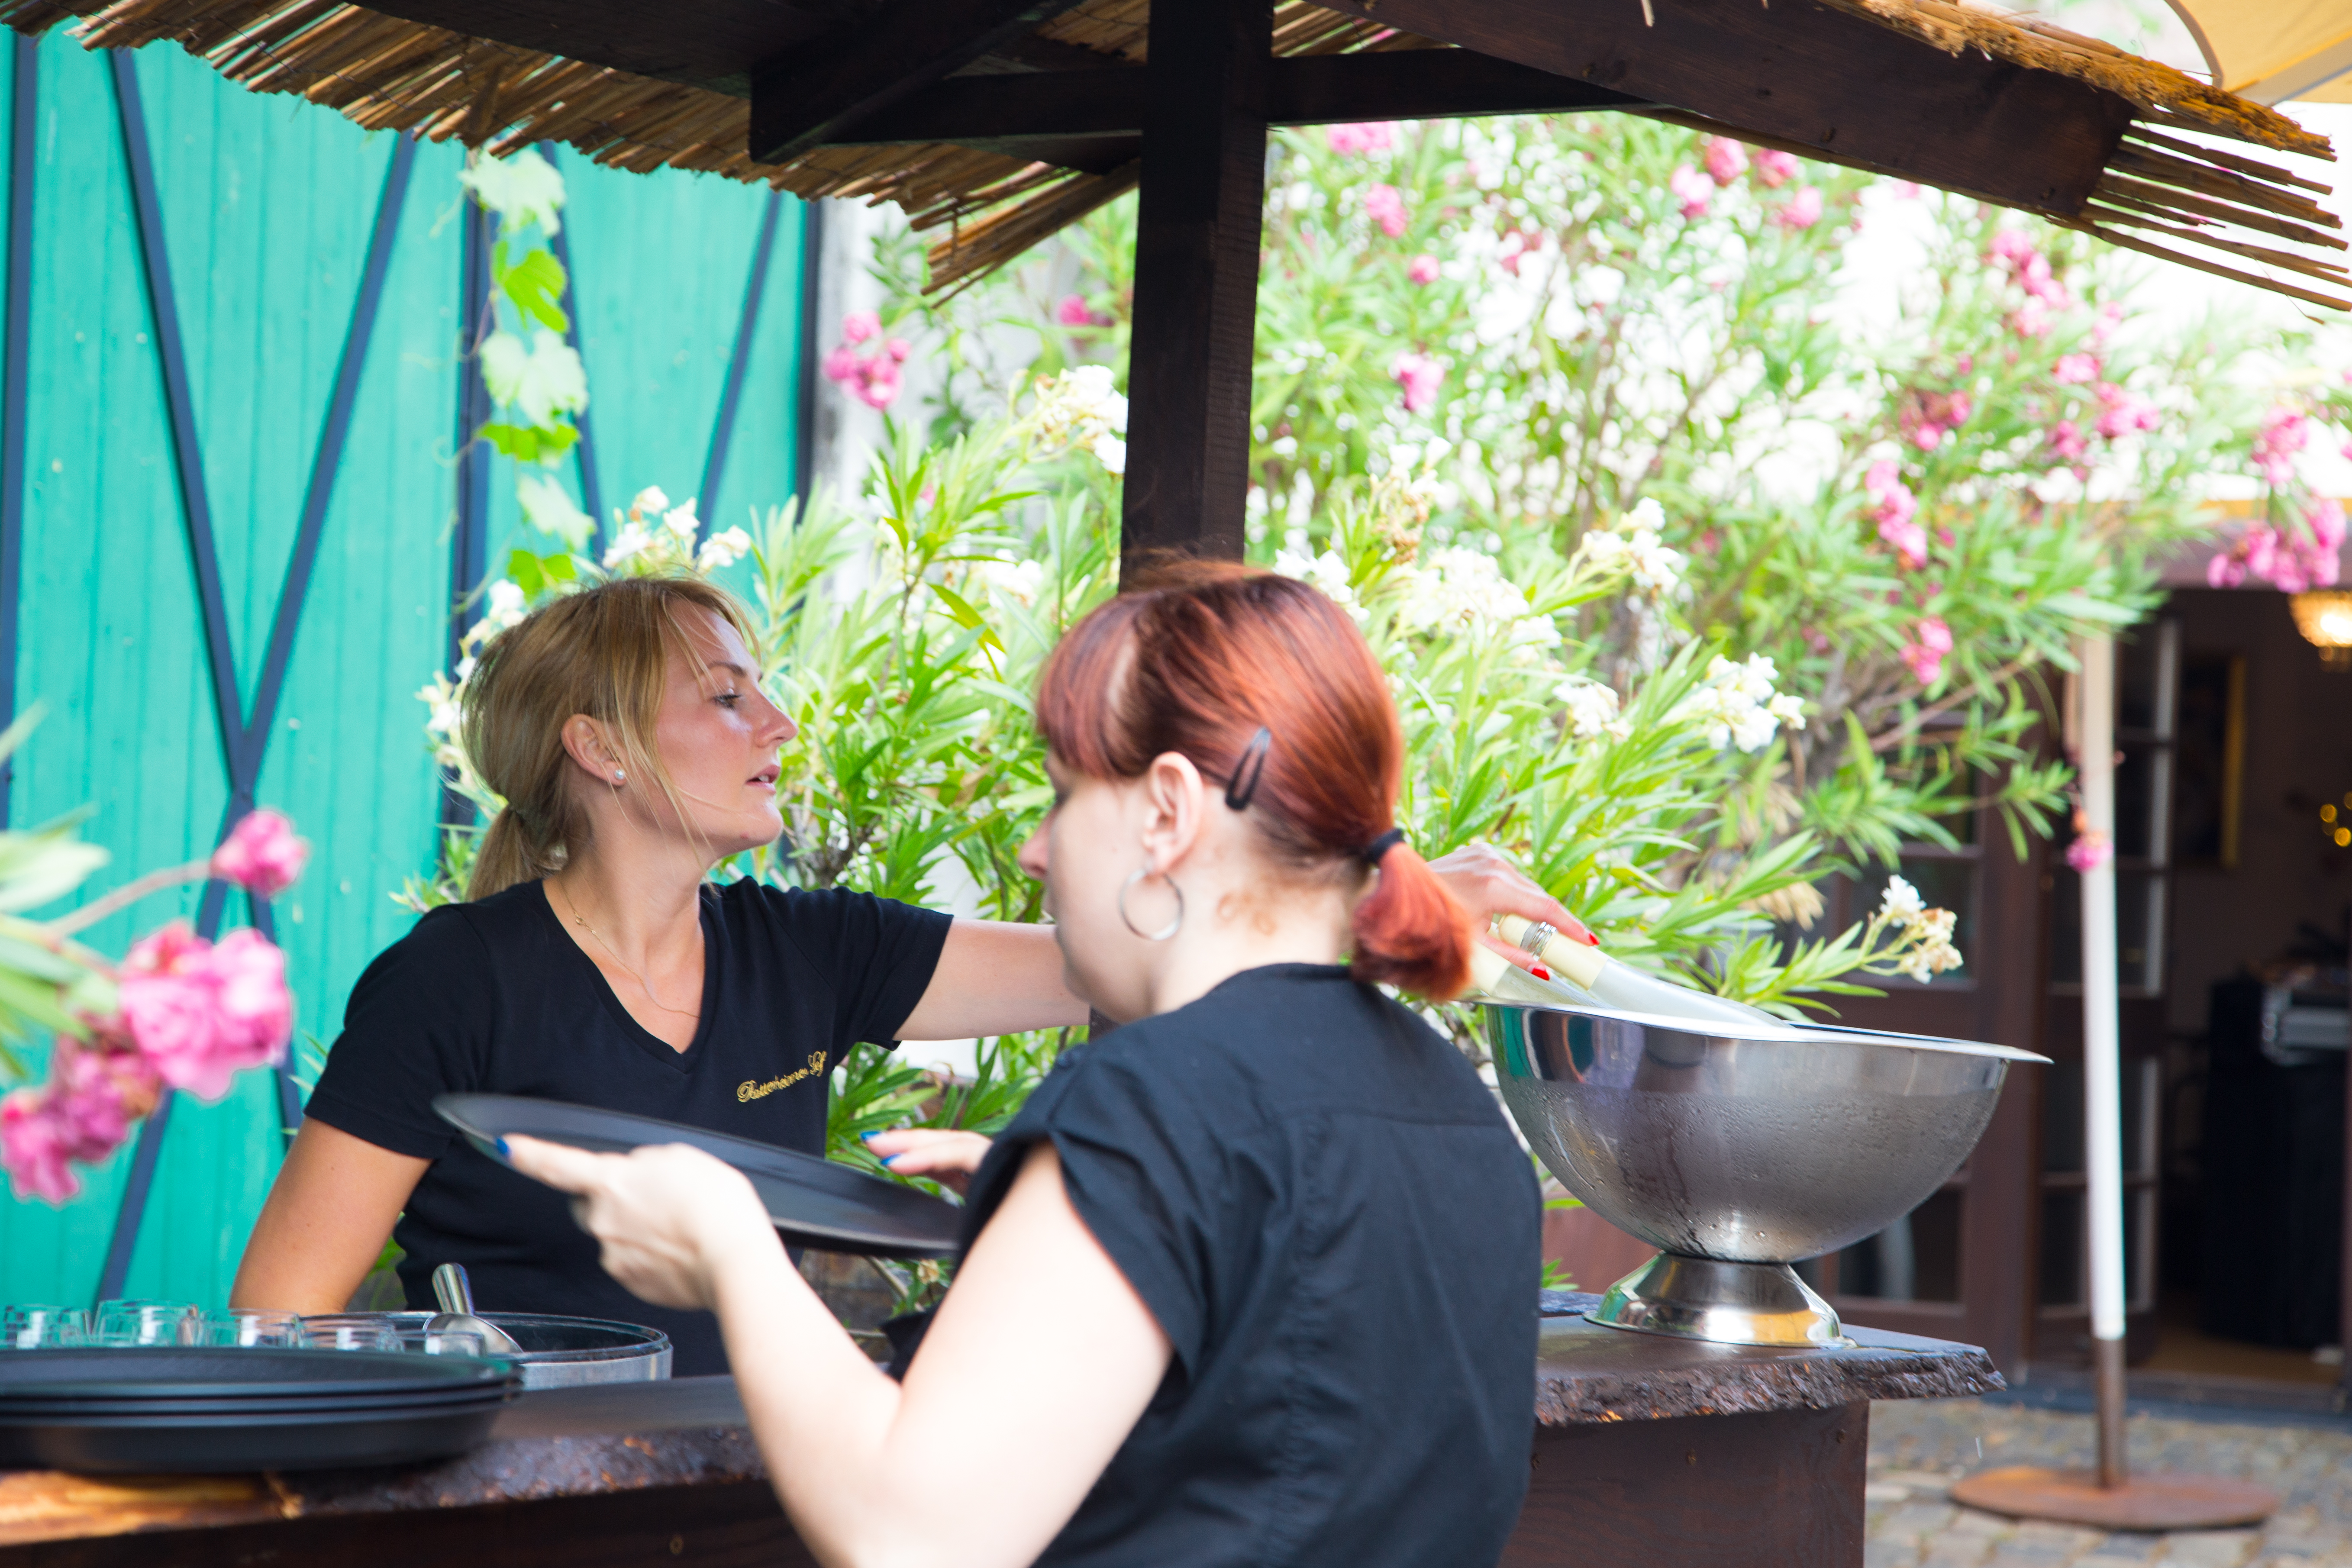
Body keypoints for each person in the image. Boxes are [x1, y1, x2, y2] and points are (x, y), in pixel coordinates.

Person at [233, 574, 1581, 1374]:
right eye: (724, 695)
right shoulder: (452, 980)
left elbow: (1103, 960)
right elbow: (277, 1311)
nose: (778, 721)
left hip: (751, 1470)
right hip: (514, 1493)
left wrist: (1354, 894)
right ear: (597, 747)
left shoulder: (809, 949)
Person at [508, 562, 1546, 1568]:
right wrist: (1053, 1210)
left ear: (1168, 812)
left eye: (1062, 795)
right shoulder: (1451, 1106)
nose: (1039, 850)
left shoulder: (1156, 1104)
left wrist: (731, 1244)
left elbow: (909, 1535)